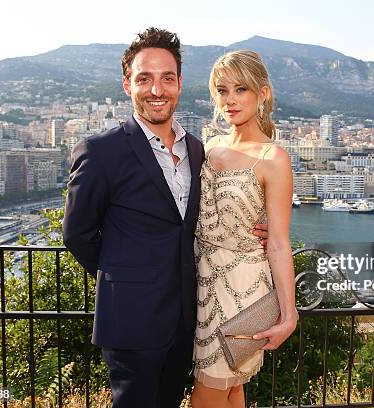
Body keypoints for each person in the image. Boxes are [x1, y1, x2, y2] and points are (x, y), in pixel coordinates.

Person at [62, 29, 267, 408]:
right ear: (128, 85)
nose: (157, 89)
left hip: (190, 319)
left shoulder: (197, 149)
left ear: (179, 83)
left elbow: (217, 211)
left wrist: (258, 229)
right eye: (145, 78)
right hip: (131, 321)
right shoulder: (100, 151)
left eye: (166, 78)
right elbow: (77, 235)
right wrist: (124, 278)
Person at [190, 50, 298, 408]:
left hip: (244, 291)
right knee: (231, 389)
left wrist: (289, 314)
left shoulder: (273, 158)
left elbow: (279, 243)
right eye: (222, 90)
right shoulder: (209, 148)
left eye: (241, 89)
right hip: (202, 283)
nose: (230, 100)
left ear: (262, 94)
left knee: (210, 392)